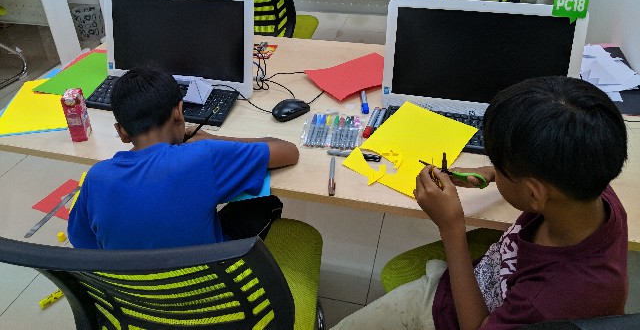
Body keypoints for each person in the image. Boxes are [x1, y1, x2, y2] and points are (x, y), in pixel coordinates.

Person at [332, 76, 628, 330]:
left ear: (535, 194)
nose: (494, 169)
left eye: (498, 166)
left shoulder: (546, 301)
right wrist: (490, 174)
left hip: (455, 315)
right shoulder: (590, 184)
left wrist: (451, 228)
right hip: (491, 278)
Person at [68, 67, 299, 250]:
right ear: (179, 112)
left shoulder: (96, 178)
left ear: (122, 132)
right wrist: (215, 140)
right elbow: (288, 151)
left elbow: (82, 241)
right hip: (212, 288)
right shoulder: (203, 156)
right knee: (265, 203)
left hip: (136, 294)